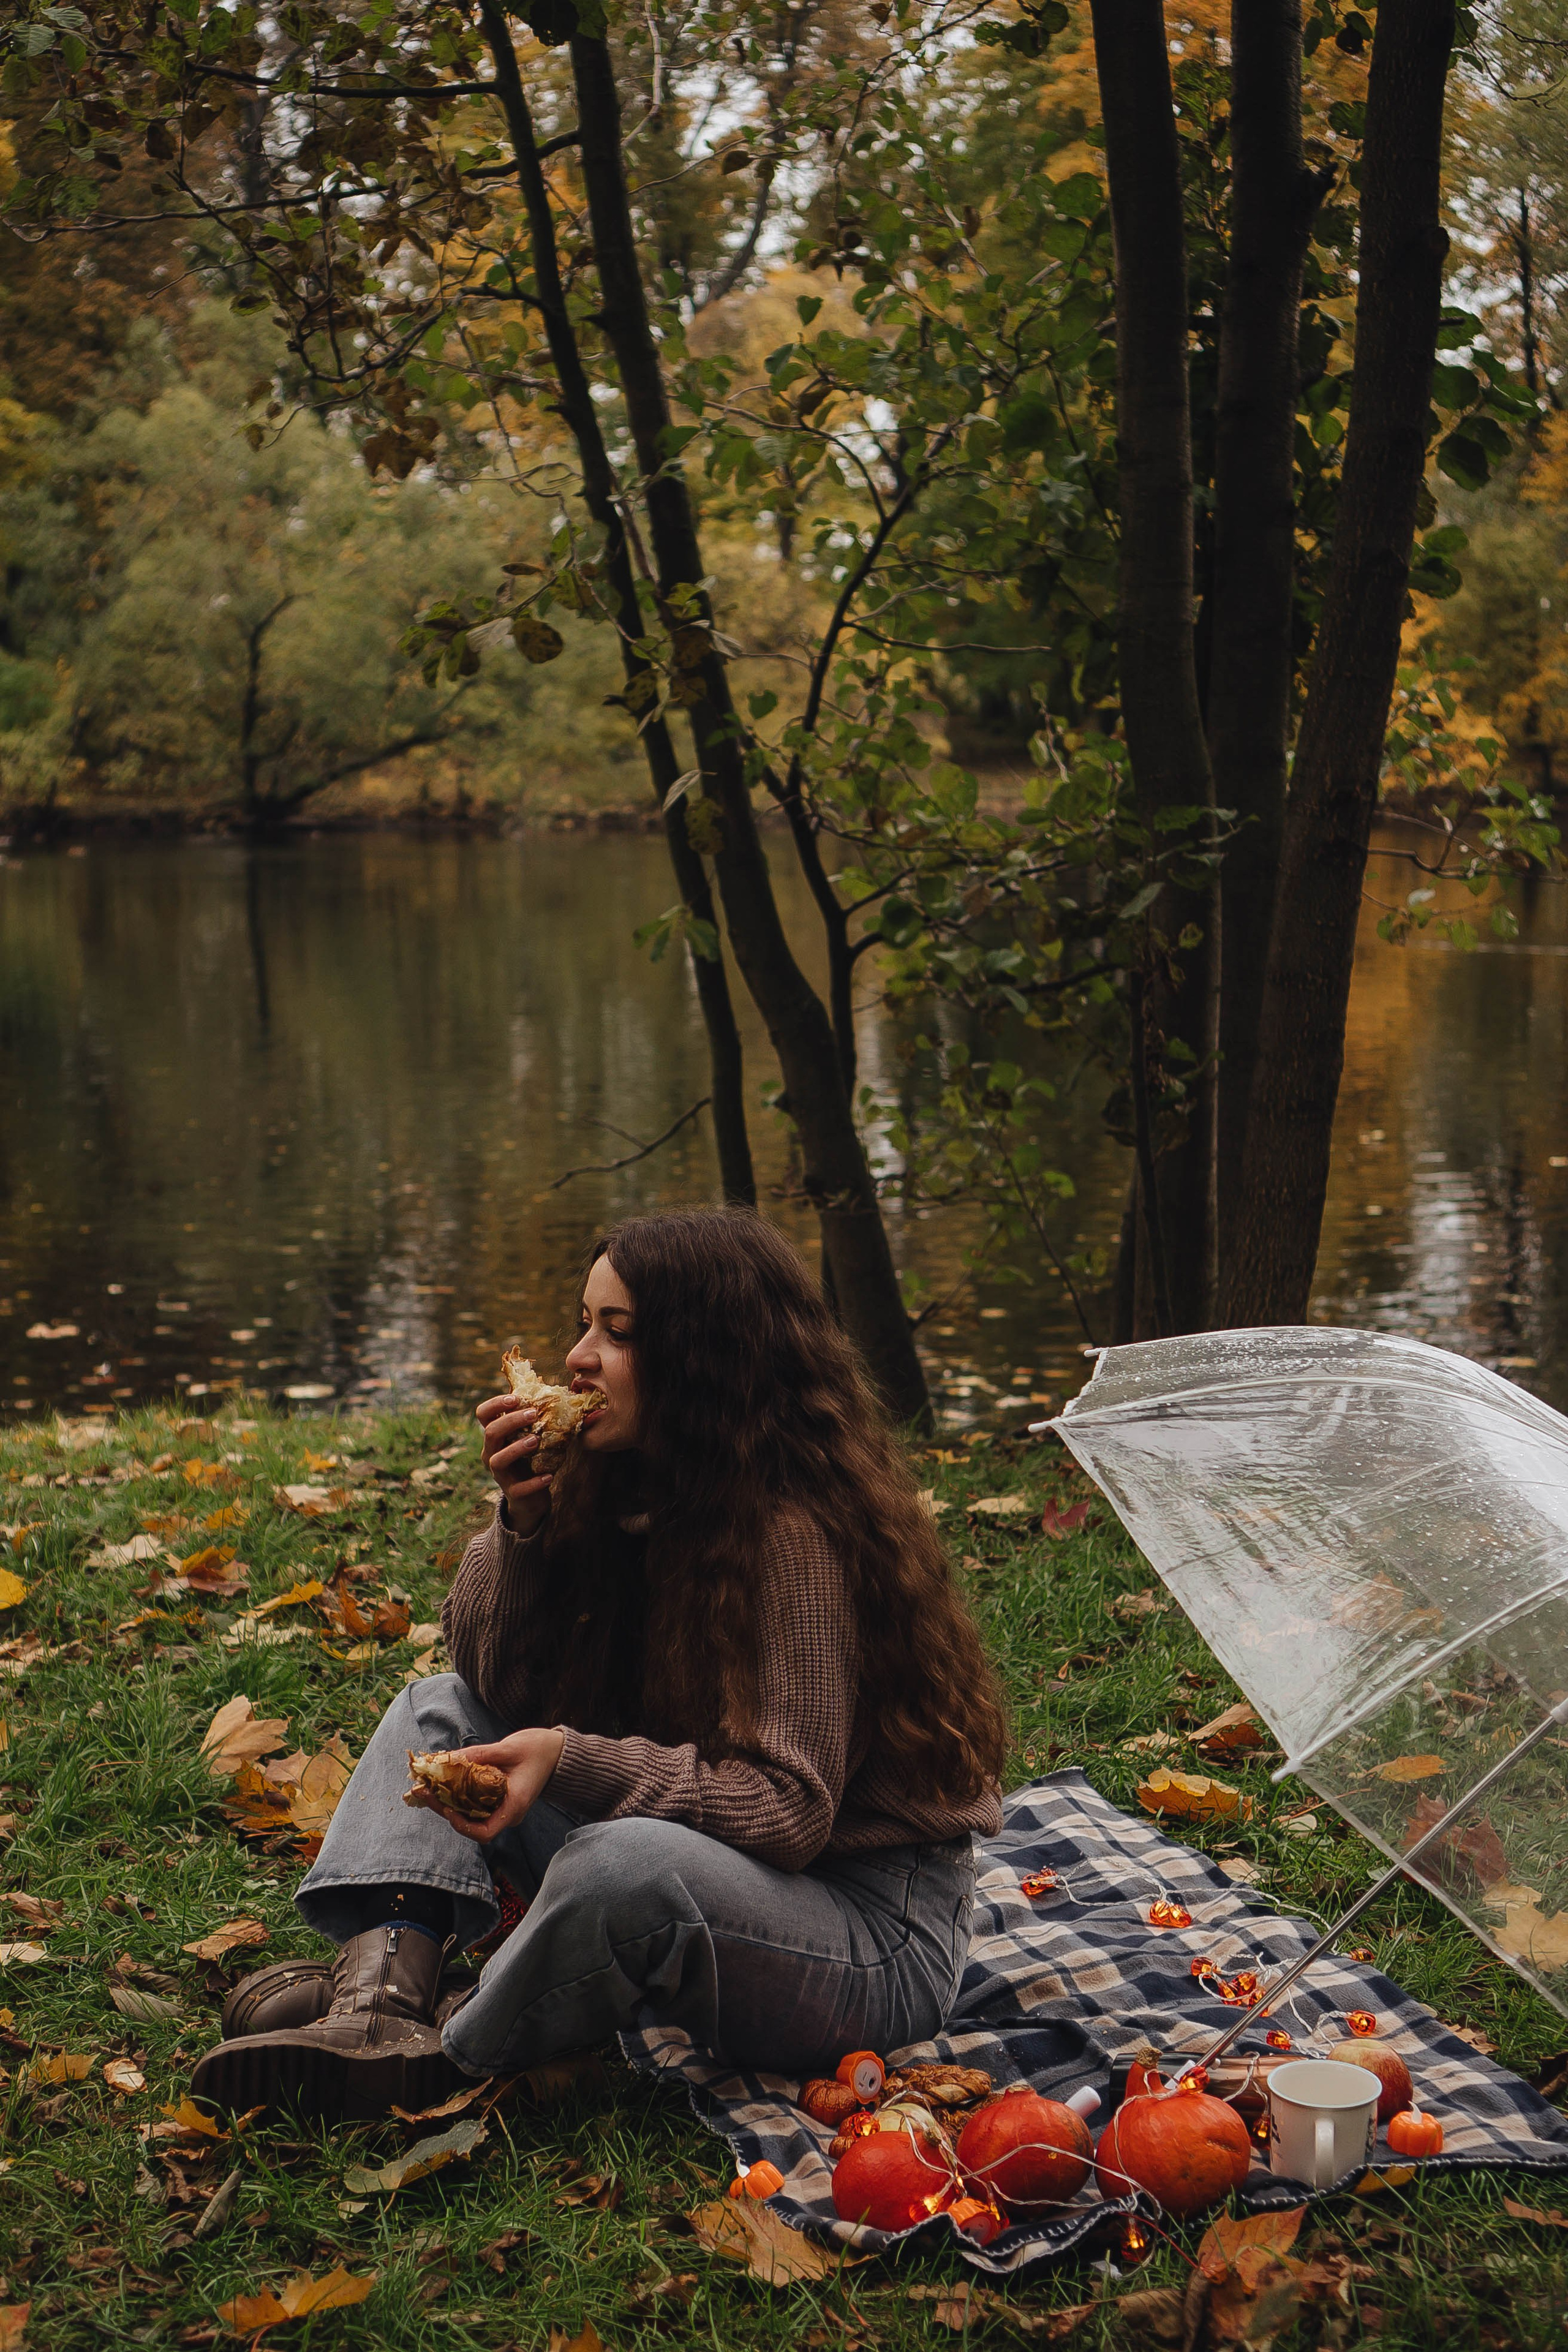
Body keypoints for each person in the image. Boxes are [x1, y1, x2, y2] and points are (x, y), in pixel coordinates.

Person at [190, 1207, 1007, 2121]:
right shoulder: (631, 1484)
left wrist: (571, 1760)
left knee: (626, 1865)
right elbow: (495, 1684)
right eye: (585, 1322)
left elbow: (787, 1812)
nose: (580, 1355)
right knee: (438, 1711)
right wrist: (525, 1526)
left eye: (618, 1333)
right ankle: (377, 2006)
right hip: (721, 1881)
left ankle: (450, 2056)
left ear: (706, 1358)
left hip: (865, 1937)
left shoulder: (791, 1533)